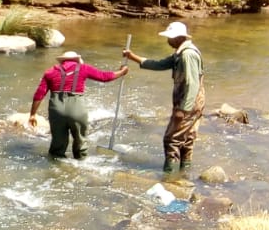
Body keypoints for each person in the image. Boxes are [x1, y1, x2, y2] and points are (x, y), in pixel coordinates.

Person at [123, 21, 205, 172]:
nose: (168, 41)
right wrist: (132, 57)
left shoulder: (188, 55)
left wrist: (182, 110)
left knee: (171, 139)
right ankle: (183, 175)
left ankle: (170, 177)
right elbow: (159, 64)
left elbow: (192, 84)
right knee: (186, 140)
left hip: (189, 103)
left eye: (170, 38)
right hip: (192, 103)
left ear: (179, 38)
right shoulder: (180, 53)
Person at [28, 51, 128, 160]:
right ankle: (80, 163)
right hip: (77, 109)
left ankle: (56, 167)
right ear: (77, 60)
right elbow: (104, 77)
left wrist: (32, 114)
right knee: (80, 141)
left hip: (57, 110)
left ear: (62, 61)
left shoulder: (50, 72)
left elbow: (39, 94)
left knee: (57, 145)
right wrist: (122, 72)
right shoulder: (83, 68)